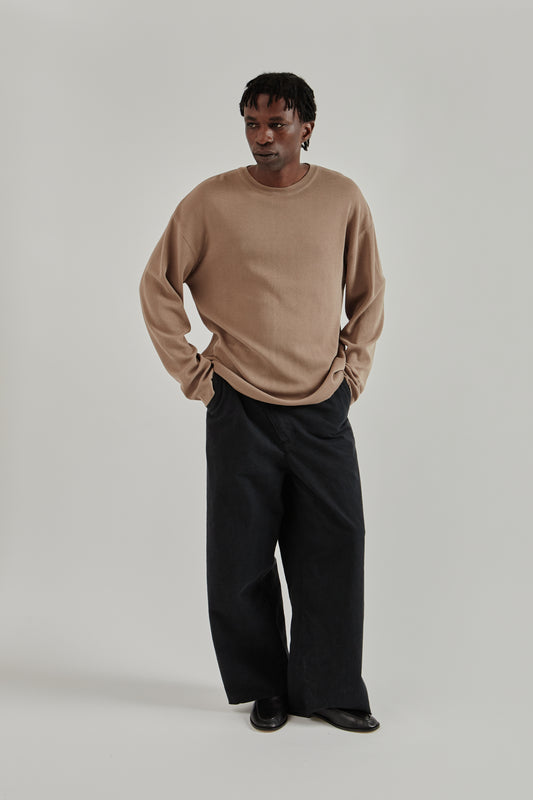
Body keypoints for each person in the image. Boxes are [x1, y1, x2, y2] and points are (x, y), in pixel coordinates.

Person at [139, 71, 386, 733]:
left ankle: (327, 688)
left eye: (277, 123)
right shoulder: (209, 202)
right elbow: (157, 285)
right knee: (240, 556)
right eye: (252, 123)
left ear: (307, 127)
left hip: (321, 403)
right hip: (238, 403)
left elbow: (368, 292)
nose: (263, 137)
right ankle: (264, 688)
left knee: (336, 543)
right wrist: (197, 377)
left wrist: (352, 375)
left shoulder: (341, 198)